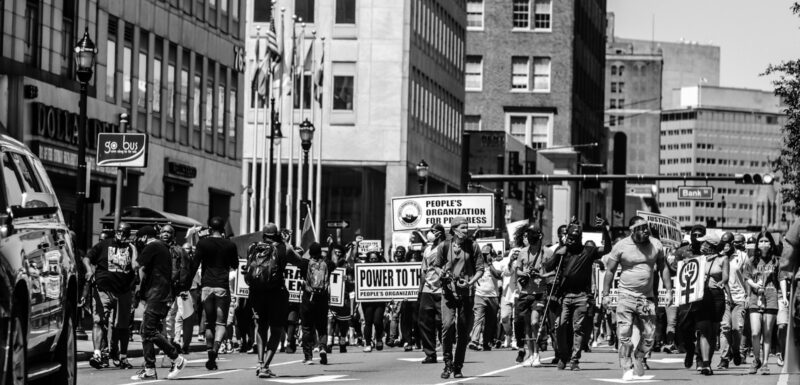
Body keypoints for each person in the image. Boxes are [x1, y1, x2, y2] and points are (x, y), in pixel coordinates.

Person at [603, 216, 672, 381]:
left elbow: (663, 267)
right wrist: (605, 295)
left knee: (650, 335)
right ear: (632, 230)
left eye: (646, 228)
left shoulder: (656, 244)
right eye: (640, 228)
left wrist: (669, 290)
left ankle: (639, 356)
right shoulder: (621, 246)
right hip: (625, 296)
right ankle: (626, 366)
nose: (644, 231)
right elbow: (610, 271)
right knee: (624, 333)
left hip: (646, 299)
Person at [546, 219, 611, 371]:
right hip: (565, 296)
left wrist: (605, 231)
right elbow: (548, 267)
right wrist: (557, 255)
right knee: (560, 326)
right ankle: (563, 355)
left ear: (580, 238)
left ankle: (574, 359)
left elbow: (607, 249)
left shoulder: (587, 251)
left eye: (574, 238)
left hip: (581, 296)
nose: (571, 240)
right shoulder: (562, 252)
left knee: (578, 328)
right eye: (569, 237)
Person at [243, 224, 306, 378]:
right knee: (277, 329)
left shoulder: (252, 247)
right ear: (277, 234)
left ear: (263, 234)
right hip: (276, 294)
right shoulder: (284, 248)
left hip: (256, 293)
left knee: (261, 327)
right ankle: (265, 366)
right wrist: (287, 242)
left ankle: (259, 361)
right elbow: (299, 262)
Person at [130, 226, 186, 380]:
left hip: (158, 294)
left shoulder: (152, 246)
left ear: (144, 237)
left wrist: (134, 249)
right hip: (158, 294)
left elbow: (136, 265)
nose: (137, 241)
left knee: (149, 331)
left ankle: (177, 359)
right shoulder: (161, 247)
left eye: (138, 238)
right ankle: (149, 369)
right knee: (145, 332)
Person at [433, 217, 485, 379]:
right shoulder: (444, 246)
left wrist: (470, 283)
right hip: (448, 293)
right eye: (463, 228)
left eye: (467, 227)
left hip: (467, 295)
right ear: (454, 230)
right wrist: (440, 272)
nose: (466, 230)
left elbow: (480, 269)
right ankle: (447, 363)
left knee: (463, 331)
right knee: (447, 326)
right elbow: (436, 265)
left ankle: (458, 366)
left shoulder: (473, 246)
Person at [85, 221, 137, 370]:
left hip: (123, 292)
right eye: (119, 232)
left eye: (125, 233)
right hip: (103, 290)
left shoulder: (131, 248)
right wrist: (89, 270)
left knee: (122, 326)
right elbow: (87, 258)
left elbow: (135, 267)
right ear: (116, 232)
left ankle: (123, 357)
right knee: (99, 321)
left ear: (128, 235)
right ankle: (97, 354)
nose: (121, 235)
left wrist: (133, 249)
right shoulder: (104, 245)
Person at [195, 216, 239, 370]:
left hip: (206, 287)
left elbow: (195, 263)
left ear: (209, 228)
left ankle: (209, 354)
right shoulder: (230, 244)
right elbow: (235, 265)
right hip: (222, 286)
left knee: (208, 323)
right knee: (221, 322)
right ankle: (215, 350)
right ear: (223, 229)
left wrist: (186, 284)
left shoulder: (203, 243)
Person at [511, 224, 553, 367]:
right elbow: (518, 272)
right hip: (524, 293)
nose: (530, 238)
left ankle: (537, 354)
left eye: (532, 235)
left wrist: (542, 275)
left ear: (539, 236)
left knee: (535, 322)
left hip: (539, 293)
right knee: (527, 326)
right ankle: (531, 354)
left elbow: (554, 272)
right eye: (528, 235)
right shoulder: (523, 252)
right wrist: (526, 273)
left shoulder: (547, 253)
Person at [691, 232, 730, 375]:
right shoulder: (697, 260)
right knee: (703, 329)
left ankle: (707, 360)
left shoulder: (723, 259)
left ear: (711, 245)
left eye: (704, 243)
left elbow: (725, 277)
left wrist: (721, 282)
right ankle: (705, 363)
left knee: (713, 330)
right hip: (701, 296)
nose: (701, 245)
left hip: (716, 296)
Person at [743, 231, 780, 375]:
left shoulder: (776, 260)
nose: (764, 244)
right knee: (755, 332)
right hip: (754, 299)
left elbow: (781, 278)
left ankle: (765, 363)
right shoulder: (751, 260)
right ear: (757, 244)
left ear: (771, 244)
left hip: (771, 298)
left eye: (766, 241)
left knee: (767, 332)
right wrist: (753, 285)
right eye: (761, 241)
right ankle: (756, 359)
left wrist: (783, 297)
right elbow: (747, 277)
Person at [295, 242, 337, 364]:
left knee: (307, 328)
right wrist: (330, 247)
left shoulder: (305, 263)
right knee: (322, 327)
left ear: (310, 252)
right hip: (322, 300)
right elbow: (334, 261)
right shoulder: (327, 264)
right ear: (320, 252)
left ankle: (308, 357)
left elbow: (293, 257)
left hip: (308, 300)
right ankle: (323, 347)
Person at [674, 225, 706, 369]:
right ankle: (690, 349)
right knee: (684, 327)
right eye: (695, 234)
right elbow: (673, 268)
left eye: (700, 234)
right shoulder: (682, 252)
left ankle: (700, 358)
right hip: (686, 296)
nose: (697, 237)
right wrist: (683, 264)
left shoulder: (708, 251)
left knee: (701, 328)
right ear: (691, 235)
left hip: (703, 295)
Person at [718, 233, 748, 369]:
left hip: (739, 298)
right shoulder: (719, 256)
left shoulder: (742, 256)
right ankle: (724, 358)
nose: (726, 245)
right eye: (723, 243)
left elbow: (748, 276)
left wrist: (748, 296)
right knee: (725, 327)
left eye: (728, 243)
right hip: (723, 298)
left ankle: (735, 350)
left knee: (737, 328)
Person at [418, 224, 446, 364]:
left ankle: (447, 352)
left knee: (444, 322)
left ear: (440, 233)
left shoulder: (446, 247)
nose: (430, 233)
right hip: (427, 291)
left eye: (433, 231)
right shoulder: (427, 249)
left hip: (442, 290)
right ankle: (430, 353)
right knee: (425, 322)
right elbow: (423, 271)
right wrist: (420, 289)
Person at [468, 245, 502, 351]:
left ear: (491, 254)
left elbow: (497, 275)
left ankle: (486, 342)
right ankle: (474, 341)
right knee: (478, 318)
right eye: (482, 254)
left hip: (493, 296)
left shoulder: (496, 264)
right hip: (480, 295)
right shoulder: (477, 264)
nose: (484, 256)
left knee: (490, 321)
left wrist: (490, 263)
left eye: (486, 254)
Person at [361, 249, 388, 352]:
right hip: (367, 300)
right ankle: (367, 343)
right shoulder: (362, 268)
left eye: (375, 259)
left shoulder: (382, 267)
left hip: (380, 299)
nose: (373, 260)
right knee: (368, 322)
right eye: (371, 259)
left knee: (377, 321)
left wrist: (382, 256)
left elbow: (389, 268)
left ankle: (379, 338)